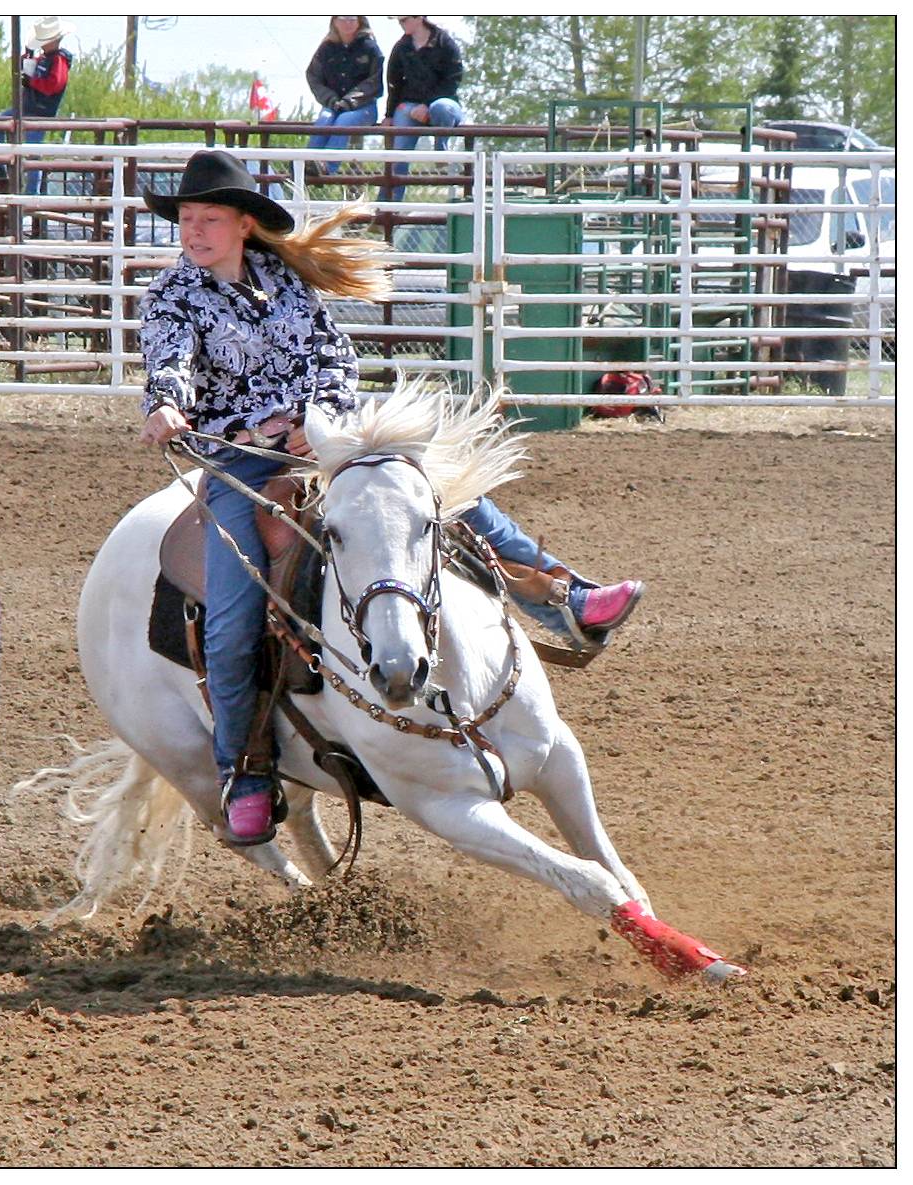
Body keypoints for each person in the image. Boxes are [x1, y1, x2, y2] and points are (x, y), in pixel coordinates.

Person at [138, 149, 644, 846]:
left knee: (436, 491)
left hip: (325, 438)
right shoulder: (172, 297)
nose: (193, 231)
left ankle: (565, 597)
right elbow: (170, 363)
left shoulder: (284, 280)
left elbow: (333, 358)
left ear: (244, 225)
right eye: (187, 219)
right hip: (241, 462)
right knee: (229, 618)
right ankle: (245, 769)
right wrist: (166, 406)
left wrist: (317, 422)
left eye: (208, 218)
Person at [0, 16, 75, 196]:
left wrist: (31, 82)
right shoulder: (46, 59)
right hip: (30, 108)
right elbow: (38, 76)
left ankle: (31, 193)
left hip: (40, 112)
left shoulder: (58, 61)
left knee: (33, 151)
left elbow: (53, 86)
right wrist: (26, 61)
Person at [383, 16, 466, 202]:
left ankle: (441, 151)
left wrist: (427, 104)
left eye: (404, 20)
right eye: (399, 21)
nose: (401, 24)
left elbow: (453, 79)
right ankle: (386, 208)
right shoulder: (401, 47)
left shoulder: (445, 42)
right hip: (410, 105)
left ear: (419, 17)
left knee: (442, 108)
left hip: (444, 101)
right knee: (398, 153)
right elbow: (394, 83)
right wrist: (389, 114)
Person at [305, 16, 384, 176]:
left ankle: (327, 166)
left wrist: (350, 101)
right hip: (333, 106)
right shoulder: (326, 48)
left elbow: (375, 81)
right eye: (343, 19)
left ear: (360, 22)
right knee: (325, 118)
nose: (347, 23)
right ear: (334, 21)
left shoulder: (370, 47)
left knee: (344, 120)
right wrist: (331, 99)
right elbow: (313, 76)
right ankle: (307, 163)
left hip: (364, 108)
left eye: (352, 19)